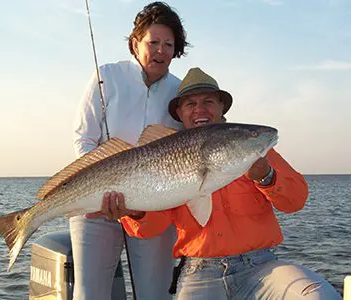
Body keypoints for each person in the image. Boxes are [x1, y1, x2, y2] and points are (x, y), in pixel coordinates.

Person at [96, 67, 343, 299]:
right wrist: (133, 212)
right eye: (191, 104)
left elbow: (296, 200)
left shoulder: (253, 148)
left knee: (317, 294)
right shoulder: (166, 156)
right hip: (199, 271)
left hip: (261, 267)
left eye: (208, 102)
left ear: (221, 107)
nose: (199, 109)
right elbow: (152, 227)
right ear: (180, 113)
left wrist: (266, 176)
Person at [71, 2, 189, 300]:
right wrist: (104, 185)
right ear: (135, 43)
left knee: (156, 293)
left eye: (168, 44)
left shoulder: (180, 92)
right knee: (90, 294)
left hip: (154, 207)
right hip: (95, 201)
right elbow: (83, 138)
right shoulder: (106, 76)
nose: (161, 51)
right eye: (153, 42)